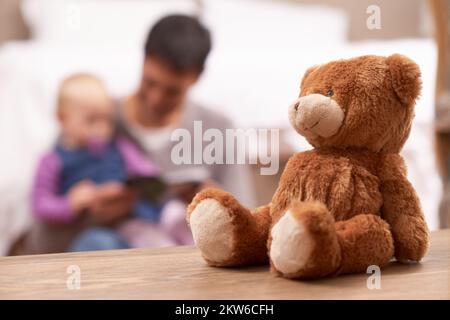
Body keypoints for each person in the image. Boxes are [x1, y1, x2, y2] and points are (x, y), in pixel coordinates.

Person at [115, 15, 255, 230]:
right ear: (143, 57)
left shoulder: (218, 128)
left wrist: (216, 204)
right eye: (149, 82)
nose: (155, 99)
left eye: (172, 91)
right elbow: (46, 236)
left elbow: (249, 225)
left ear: (198, 76)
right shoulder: (96, 119)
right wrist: (90, 214)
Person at [27, 74, 181, 253]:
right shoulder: (51, 161)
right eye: (91, 120)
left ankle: (176, 227)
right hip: (95, 229)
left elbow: (143, 168)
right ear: (63, 119)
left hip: (134, 216)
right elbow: (41, 204)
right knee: (98, 243)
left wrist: (143, 183)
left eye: (106, 119)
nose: (101, 129)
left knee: (163, 214)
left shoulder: (117, 144)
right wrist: (70, 204)